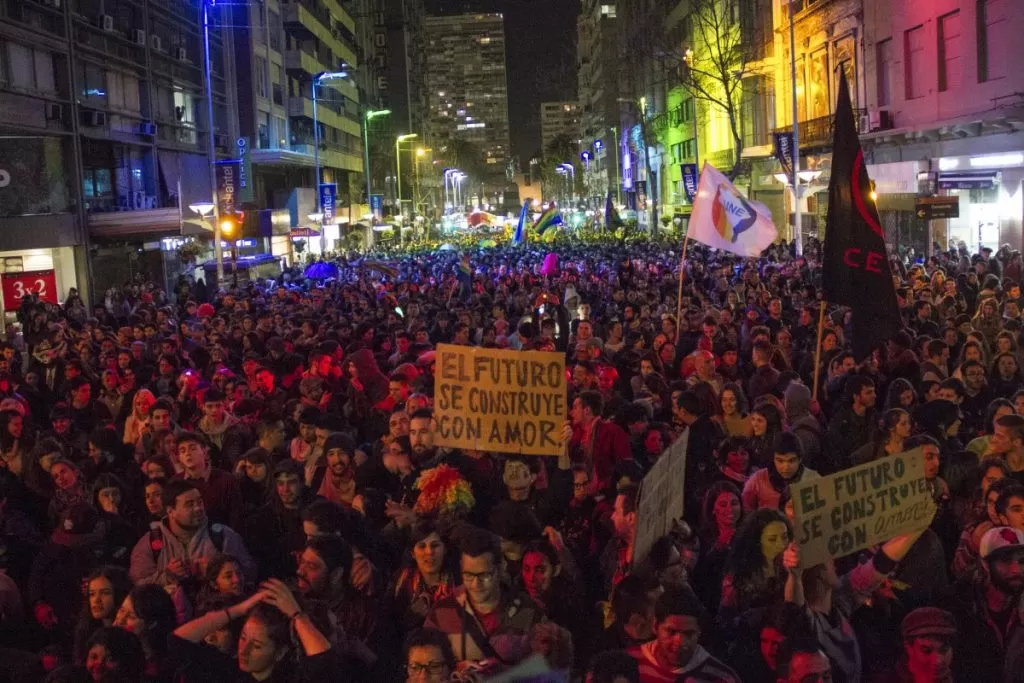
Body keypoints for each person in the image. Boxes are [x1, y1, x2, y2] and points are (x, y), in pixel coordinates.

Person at [423, 527, 543, 675]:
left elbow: (550, 671)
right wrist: (453, 672)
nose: (475, 585)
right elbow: (424, 669)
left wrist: (506, 673)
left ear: (500, 569)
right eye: (468, 575)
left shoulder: (529, 612)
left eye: (484, 575)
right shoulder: (442, 612)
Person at [129, 479, 255, 591]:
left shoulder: (223, 536)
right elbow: (137, 586)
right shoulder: (149, 543)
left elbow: (249, 573)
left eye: (200, 502)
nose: (198, 508)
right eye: (189, 504)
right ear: (171, 511)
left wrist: (215, 571)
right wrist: (167, 576)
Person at [626, 587, 739, 682]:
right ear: (655, 626)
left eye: (689, 634)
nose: (680, 642)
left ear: (699, 632)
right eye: (671, 632)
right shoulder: (628, 663)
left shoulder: (721, 678)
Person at [742, 432, 818, 512]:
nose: (786, 467)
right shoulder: (758, 480)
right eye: (780, 460)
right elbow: (745, 511)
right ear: (773, 459)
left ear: (800, 459)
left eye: (791, 460)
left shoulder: (813, 479)